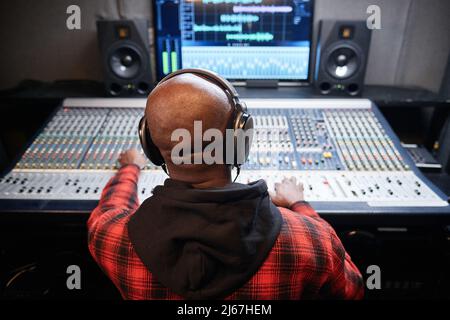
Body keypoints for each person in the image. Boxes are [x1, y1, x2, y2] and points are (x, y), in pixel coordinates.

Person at [87, 73, 364, 299]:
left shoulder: (112, 238)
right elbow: (353, 291)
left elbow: (109, 210)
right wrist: (299, 205)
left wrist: (129, 168)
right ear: (240, 138)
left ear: (151, 146)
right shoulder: (311, 243)